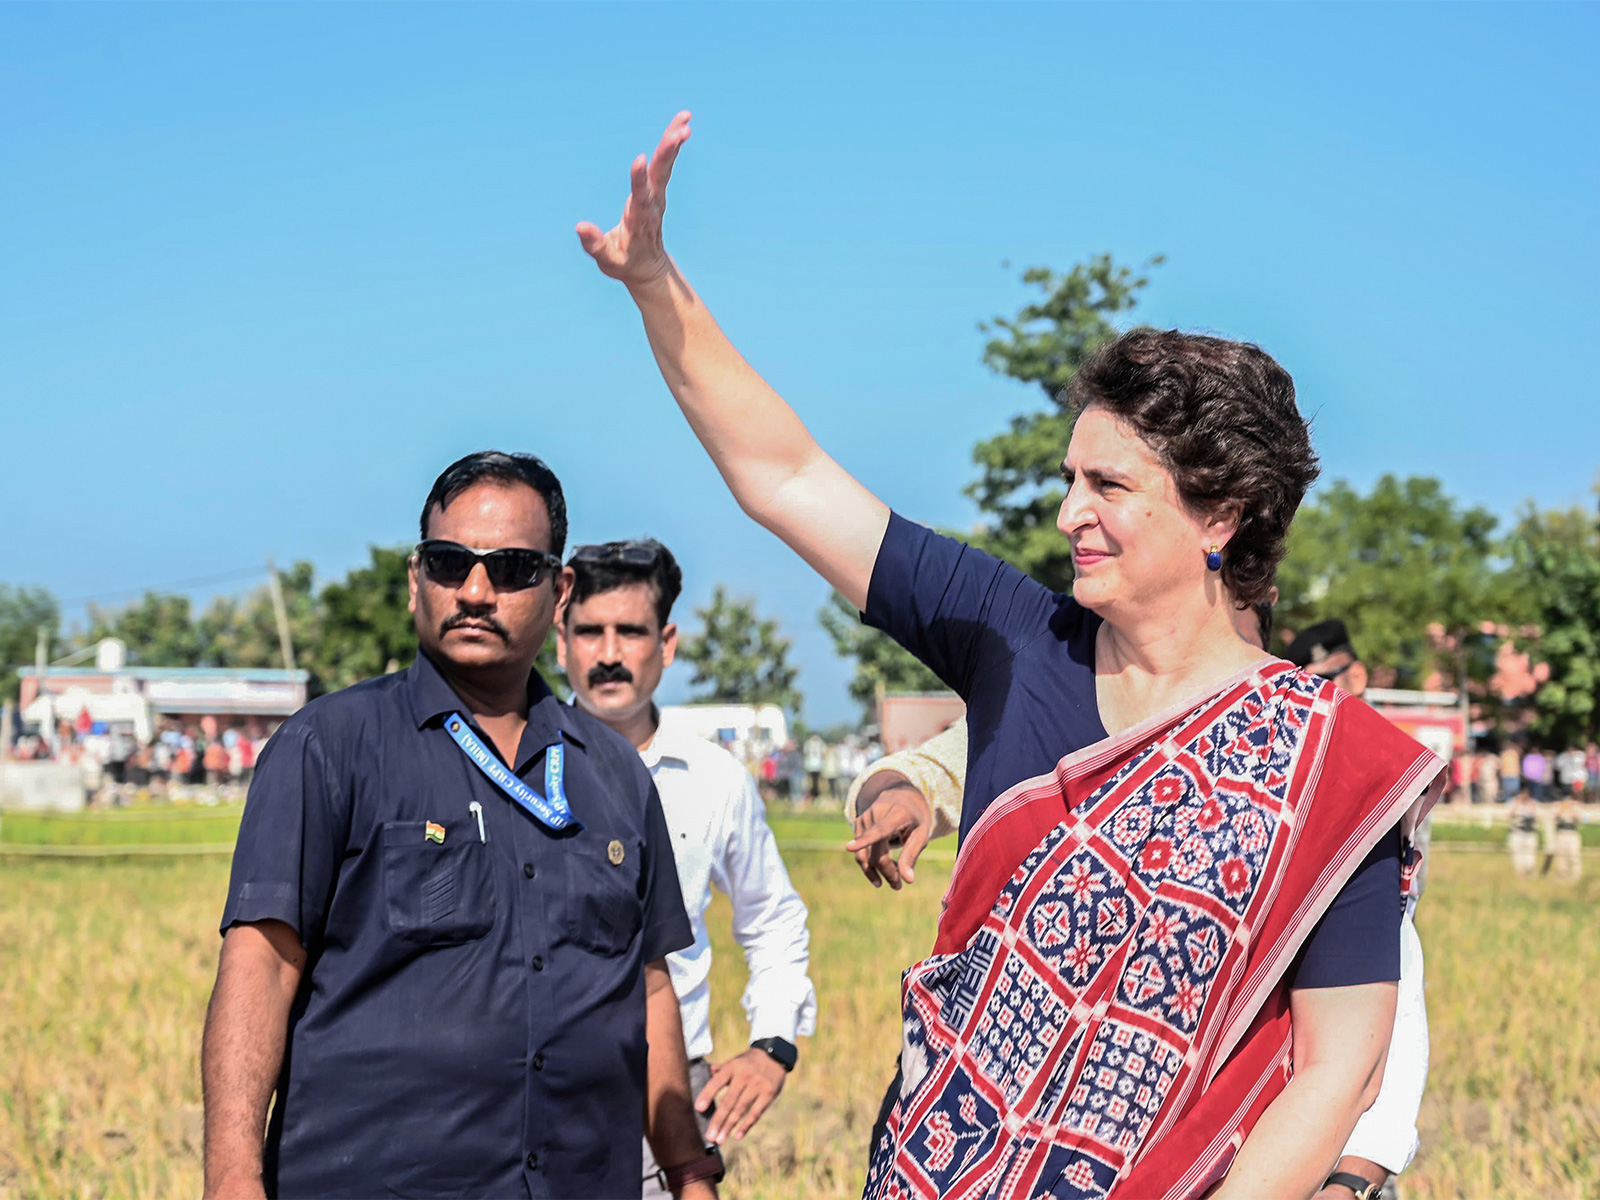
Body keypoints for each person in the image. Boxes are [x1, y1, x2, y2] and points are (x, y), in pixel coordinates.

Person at [578, 114, 1444, 1200]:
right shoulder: (1018, 638)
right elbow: (786, 477)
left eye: (1109, 486)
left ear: (1221, 513)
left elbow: (1336, 1068)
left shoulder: (1330, 766)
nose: (1070, 512)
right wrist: (655, 285)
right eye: (1070, 479)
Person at [201, 452, 717, 1200]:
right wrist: (231, 1179)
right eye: (450, 563)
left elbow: (650, 988)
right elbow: (261, 965)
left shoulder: (615, 775)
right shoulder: (328, 748)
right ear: (417, 578)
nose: (475, 592)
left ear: (559, 591)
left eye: (511, 568)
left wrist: (689, 1172)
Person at [555, 537, 817, 1193]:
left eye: (630, 632)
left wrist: (774, 1043)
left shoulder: (713, 778)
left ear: (666, 643)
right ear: (560, 642)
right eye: (588, 631)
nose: (608, 653)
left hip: (673, 1090)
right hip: (538, 1086)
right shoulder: (518, 769)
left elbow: (773, 918)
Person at [1508, 791, 1539, 876]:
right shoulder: (1513, 803)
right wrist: (1516, 805)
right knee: (1517, 854)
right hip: (1517, 832)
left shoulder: (1533, 803)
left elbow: (1536, 817)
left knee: (1529, 854)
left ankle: (1529, 871)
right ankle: (1519, 872)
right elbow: (1509, 815)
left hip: (1529, 833)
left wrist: (1530, 807)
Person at [1552, 796, 1583, 880]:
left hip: (1572, 833)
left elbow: (1580, 818)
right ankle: (1562, 875)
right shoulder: (1559, 807)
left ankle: (1576, 875)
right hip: (1561, 833)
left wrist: (1572, 809)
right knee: (1562, 855)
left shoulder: (1575, 807)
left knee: (1574, 854)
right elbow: (1554, 818)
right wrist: (1561, 810)